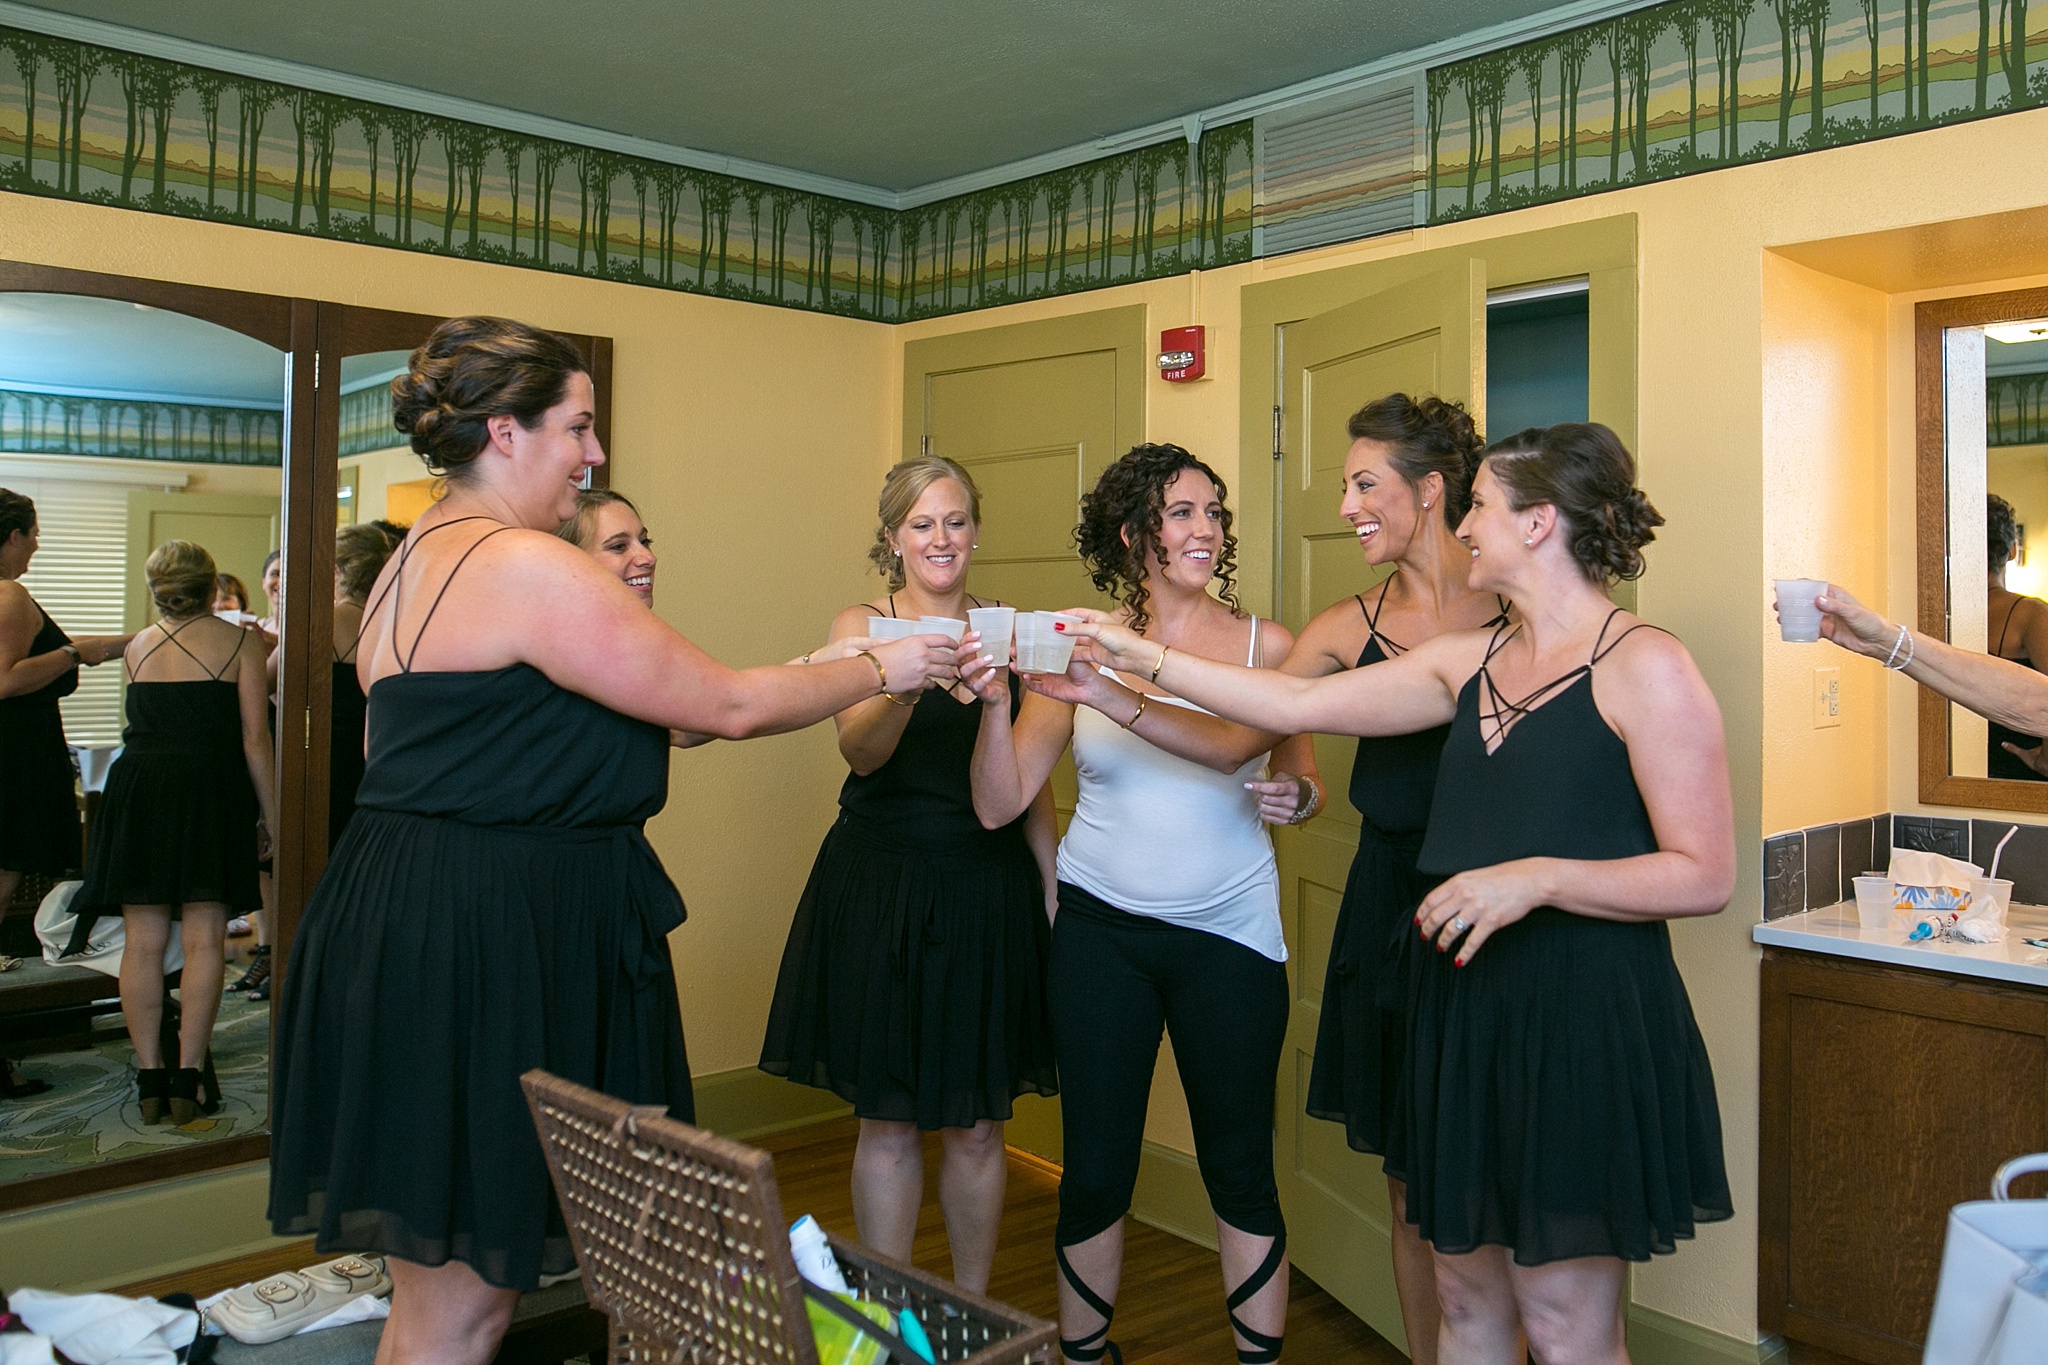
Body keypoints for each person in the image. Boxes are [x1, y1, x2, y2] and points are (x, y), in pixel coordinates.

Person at [266, 315, 956, 1365]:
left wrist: (815, 667)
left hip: (398, 911)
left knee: (431, 1296)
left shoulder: (412, 563)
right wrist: (883, 667)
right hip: (487, 937)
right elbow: (720, 703)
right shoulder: (527, 566)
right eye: (578, 429)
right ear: (505, 433)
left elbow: (534, 732)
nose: (593, 457)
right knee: (471, 1304)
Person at [1058, 423, 1734, 1364]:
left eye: (1485, 508)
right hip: (1467, 1006)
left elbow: (1706, 872)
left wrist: (1535, 880)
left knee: (1566, 1322)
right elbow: (1290, 706)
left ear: (1539, 524)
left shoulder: (1647, 664)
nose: (1465, 528)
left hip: (1582, 1015)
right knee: (1462, 1295)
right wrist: (1129, 656)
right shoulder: (1472, 663)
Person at [962, 443, 1307, 1365]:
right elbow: (999, 801)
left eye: (1214, 512)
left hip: (1230, 936)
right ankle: (1084, 1357)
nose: (1207, 530)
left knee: (1239, 1168)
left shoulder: (1265, 647)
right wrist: (996, 700)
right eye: (1183, 512)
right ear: (1134, 534)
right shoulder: (1079, 649)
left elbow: (1256, 752)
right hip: (1101, 931)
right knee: (1097, 1167)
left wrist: (1297, 798)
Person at [760, 456, 1059, 1293]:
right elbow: (857, 749)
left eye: (956, 521)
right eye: (923, 524)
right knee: (887, 1121)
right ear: (893, 538)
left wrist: (1048, 884)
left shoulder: (1006, 626)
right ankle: (889, 1308)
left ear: (975, 530)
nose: (941, 538)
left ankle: (970, 1306)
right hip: (878, 881)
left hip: (983, 885)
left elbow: (1030, 786)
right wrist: (901, 684)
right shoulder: (864, 621)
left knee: (976, 1126)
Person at [1255, 394, 1502, 1365]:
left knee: (1493, 1175)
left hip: (1498, 915)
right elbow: (1253, 724)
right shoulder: (1341, 624)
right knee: (1408, 1178)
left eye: (1365, 484)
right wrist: (1115, 684)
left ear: (1429, 489)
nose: (1348, 503)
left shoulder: (1519, 612)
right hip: (1387, 911)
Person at [70, 539, 275, 1125]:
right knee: (207, 939)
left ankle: (149, 1075)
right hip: (207, 787)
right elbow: (255, 740)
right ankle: (188, 1076)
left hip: (137, 787)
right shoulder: (241, 641)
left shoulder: (137, 645)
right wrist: (273, 817)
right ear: (214, 586)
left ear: (156, 588)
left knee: (144, 939)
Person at [0, 489, 129, 1093]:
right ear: (10, 536)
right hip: (13, 761)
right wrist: (74, 651)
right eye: (32, 533)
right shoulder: (8, 594)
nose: (36, 544)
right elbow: (4, 680)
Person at [328, 521, 403, 845]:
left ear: (337, 570)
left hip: (322, 760)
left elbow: (270, 682)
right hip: (378, 759)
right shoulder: (395, 624)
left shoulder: (319, 623)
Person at [1983, 494, 2048, 778]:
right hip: (2019, 771)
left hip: (1950, 772)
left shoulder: (1932, 614)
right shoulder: (2030, 615)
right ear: (2011, 551)